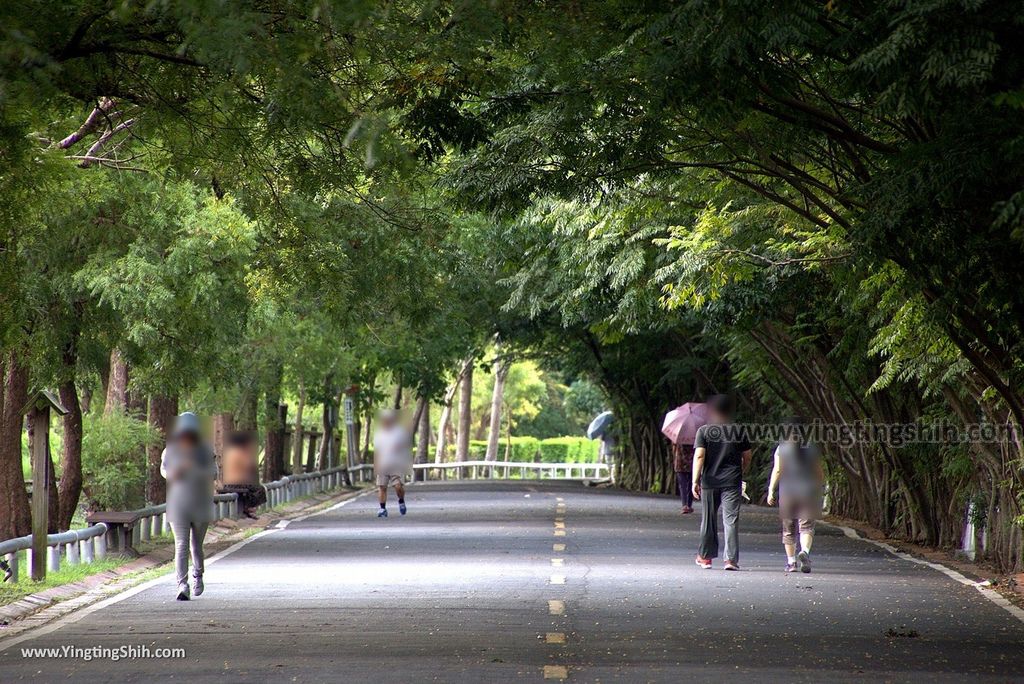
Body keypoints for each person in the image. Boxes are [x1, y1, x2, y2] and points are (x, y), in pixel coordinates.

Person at [161, 412, 217, 600]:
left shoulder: (205, 450)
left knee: (196, 546)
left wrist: (195, 470)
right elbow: (164, 470)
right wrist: (173, 474)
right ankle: (182, 584)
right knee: (181, 545)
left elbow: (214, 473)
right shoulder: (171, 450)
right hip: (178, 504)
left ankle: (197, 575)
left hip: (200, 504)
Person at [692, 395, 752, 570]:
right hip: (732, 481)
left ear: (712, 410)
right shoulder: (738, 430)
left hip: (709, 481)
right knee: (731, 520)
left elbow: (699, 456)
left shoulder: (704, 431)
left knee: (708, 520)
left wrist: (695, 480)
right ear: (729, 410)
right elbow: (747, 456)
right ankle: (730, 560)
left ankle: (705, 558)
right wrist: (742, 471)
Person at [767, 418, 825, 573]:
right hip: (808, 491)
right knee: (806, 526)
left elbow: (778, 470)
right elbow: (819, 472)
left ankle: (791, 563)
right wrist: (821, 488)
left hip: (787, 493)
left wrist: (771, 490)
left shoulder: (782, 448)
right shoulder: (812, 448)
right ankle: (804, 552)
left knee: (788, 528)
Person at [217, 431, 266, 519]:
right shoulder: (240, 453)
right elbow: (249, 465)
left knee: (251, 488)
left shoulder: (229, 452)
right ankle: (249, 508)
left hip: (228, 481)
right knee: (260, 489)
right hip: (238, 482)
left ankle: (246, 509)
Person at [373, 409, 411, 518]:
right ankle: (382, 508)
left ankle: (401, 500)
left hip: (396, 463)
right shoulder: (378, 433)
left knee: (398, 486)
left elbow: (406, 445)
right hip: (383, 463)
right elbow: (377, 450)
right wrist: (376, 465)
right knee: (382, 486)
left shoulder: (399, 431)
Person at [672, 443, 695, 514]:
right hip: (692, 463)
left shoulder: (678, 438)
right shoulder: (693, 438)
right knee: (691, 484)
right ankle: (689, 505)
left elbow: (674, 449)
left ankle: (684, 505)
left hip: (680, 462)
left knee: (682, 485)